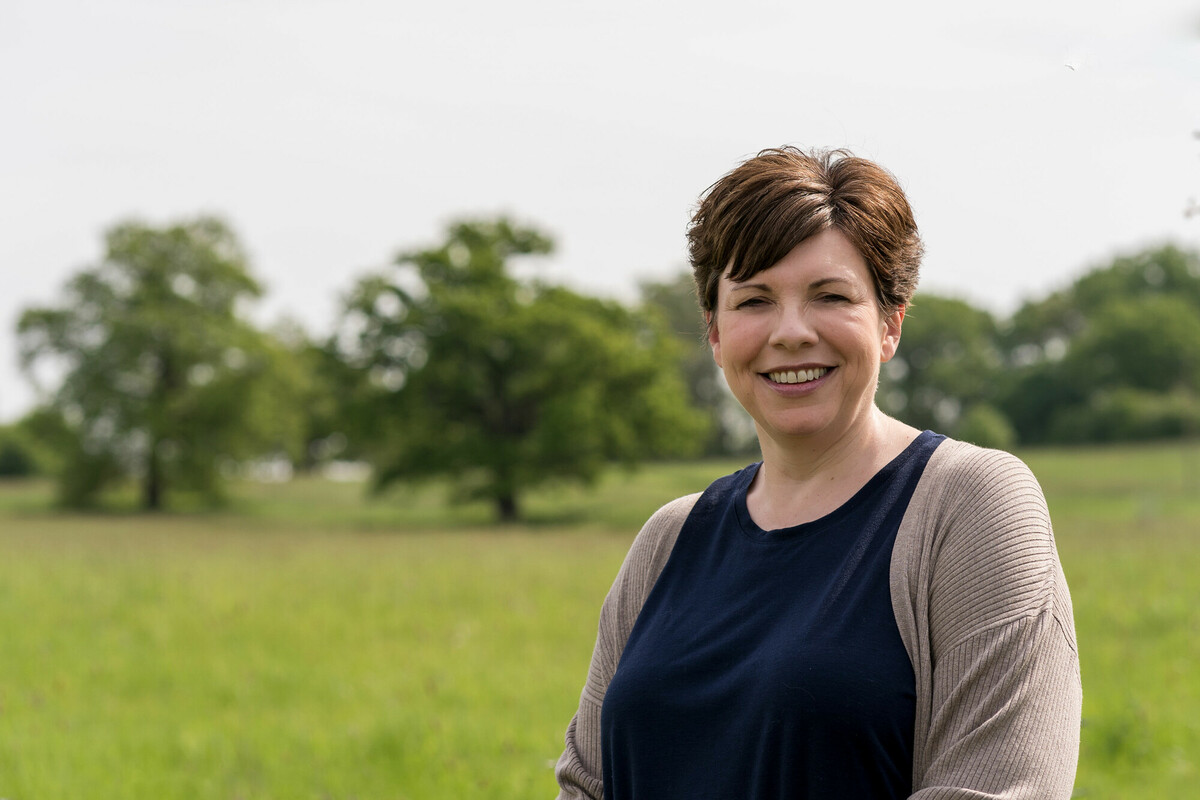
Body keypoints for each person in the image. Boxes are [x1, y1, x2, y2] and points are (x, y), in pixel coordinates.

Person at [553, 147, 1081, 799]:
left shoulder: (971, 506)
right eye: (754, 301)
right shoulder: (668, 540)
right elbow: (586, 784)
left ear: (890, 322)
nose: (791, 331)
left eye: (830, 295)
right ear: (714, 332)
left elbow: (1002, 784)